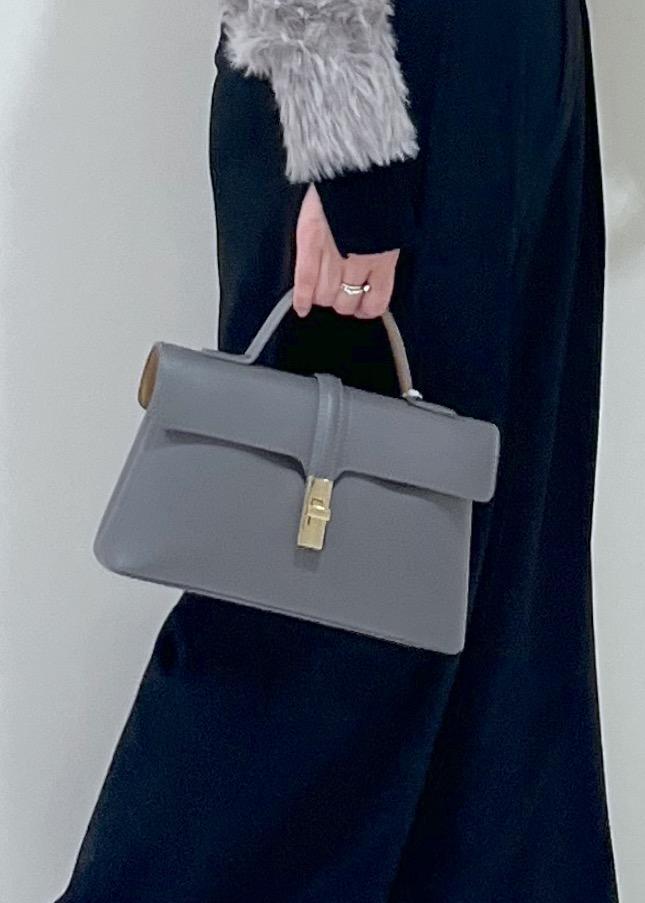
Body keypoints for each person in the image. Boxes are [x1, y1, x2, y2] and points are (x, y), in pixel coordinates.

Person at [55, 0, 619, 900]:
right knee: (318, 622)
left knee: (494, 637)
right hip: (388, 87)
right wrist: (348, 145)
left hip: (510, 69)